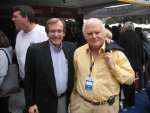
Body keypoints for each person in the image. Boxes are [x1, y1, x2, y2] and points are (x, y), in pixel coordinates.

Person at [70, 18, 135, 113]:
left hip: (106, 107)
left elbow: (130, 79)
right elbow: (76, 78)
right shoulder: (78, 52)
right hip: (81, 106)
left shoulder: (116, 53)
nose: (94, 36)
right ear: (84, 36)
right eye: (89, 33)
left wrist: (113, 67)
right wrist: (74, 102)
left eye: (97, 32)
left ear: (104, 33)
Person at [24, 18, 76, 113]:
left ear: (64, 33)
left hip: (64, 100)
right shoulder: (34, 50)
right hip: (42, 103)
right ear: (47, 33)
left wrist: (106, 40)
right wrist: (30, 104)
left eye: (59, 31)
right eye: (52, 31)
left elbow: (89, 48)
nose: (56, 35)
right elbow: (28, 79)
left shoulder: (71, 48)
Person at [11, 5, 48, 81]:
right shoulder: (19, 35)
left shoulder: (43, 32)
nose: (12, 19)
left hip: (40, 81)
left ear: (26, 17)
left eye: (15, 17)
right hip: (25, 80)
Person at [0, 30, 13, 113]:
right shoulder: (7, 49)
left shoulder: (1, 52)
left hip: (2, 89)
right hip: (4, 90)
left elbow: (1, 73)